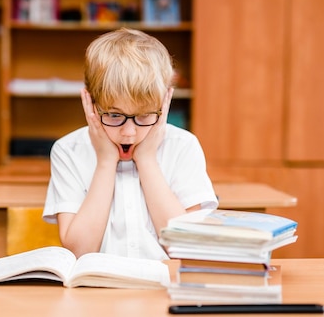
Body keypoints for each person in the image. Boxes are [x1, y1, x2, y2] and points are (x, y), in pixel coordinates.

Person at [42, 27, 218, 260]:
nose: (129, 133)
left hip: (163, 291)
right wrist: (105, 161)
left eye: (144, 116)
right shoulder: (68, 151)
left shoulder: (183, 147)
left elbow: (185, 247)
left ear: (165, 101)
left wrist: (146, 160)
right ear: (90, 103)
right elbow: (79, 251)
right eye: (114, 116)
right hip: (95, 292)